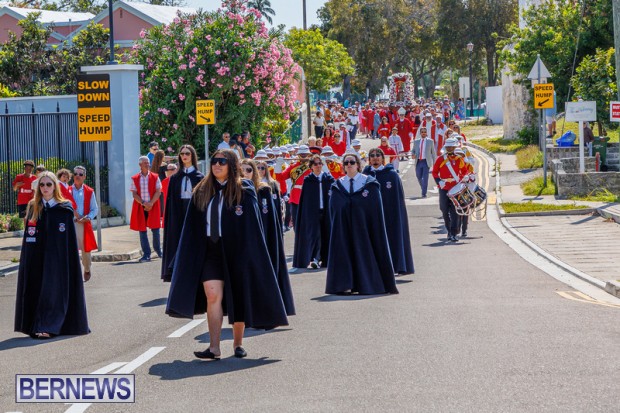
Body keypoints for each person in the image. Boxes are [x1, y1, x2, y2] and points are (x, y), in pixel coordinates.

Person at [166, 149, 290, 360]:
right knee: (212, 294)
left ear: (232, 165)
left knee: (237, 296)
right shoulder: (202, 190)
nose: (216, 165)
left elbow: (253, 226)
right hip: (210, 250)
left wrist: (252, 255)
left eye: (222, 162)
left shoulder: (245, 190)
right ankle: (214, 347)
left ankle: (238, 343)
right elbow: (192, 227)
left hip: (237, 250)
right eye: (214, 162)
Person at [14, 171, 89, 339]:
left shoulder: (64, 208)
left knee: (53, 290)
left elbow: (69, 239)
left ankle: (48, 325)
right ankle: (37, 324)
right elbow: (30, 233)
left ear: (55, 186)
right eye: (42, 185)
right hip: (37, 257)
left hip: (58, 258)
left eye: (49, 184)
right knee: (37, 288)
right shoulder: (34, 206)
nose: (45, 188)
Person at [325, 152, 398, 295]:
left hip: (364, 230)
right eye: (346, 163)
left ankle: (368, 283)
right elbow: (334, 209)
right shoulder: (338, 186)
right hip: (344, 230)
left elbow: (375, 210)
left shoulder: (369, 184)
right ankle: (345, 283)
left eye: (352, 162)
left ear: (358, 164)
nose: (349, 165)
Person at [241, 159, 295, 316]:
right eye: (242, 170)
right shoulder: (234, 191)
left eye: (249, 170)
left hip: (264, 238)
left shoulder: (264, 190)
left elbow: (273, 217)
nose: (245, 173)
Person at [363, 148, 415, 276]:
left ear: (382, 158)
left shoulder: (392, 175)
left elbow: (398, 200)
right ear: (369, 159)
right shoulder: (365, 176)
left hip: (390, 215)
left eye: (378, 155)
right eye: (372, 155)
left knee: (392, 240)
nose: (375, 157)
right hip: (371, 217)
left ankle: (396, 265)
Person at [161, 145, 204, 282]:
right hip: (178, 213)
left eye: (187, 153)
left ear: (192, 156)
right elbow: (171, 201)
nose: (184, 156)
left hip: (193, 211)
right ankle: (175, 271)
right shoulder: (175, 178)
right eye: (182, 153)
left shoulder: (200, 177)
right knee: (177, 240)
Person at [293, 154, 335, 270]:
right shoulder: (308, 180)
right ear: (311, 166)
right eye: (315, 164)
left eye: (320, 163)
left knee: (327, 233)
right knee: (315, 235)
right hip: (313, 212)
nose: (318, 166)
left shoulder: (328, 179)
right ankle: (315, 259)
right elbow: (305, 200)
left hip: (326, 211)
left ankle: (326, 259)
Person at [432, 137, 470, 242]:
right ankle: (449, 230)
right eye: (448, 147)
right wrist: (439, 181)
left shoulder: (459, 159)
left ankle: (453, 233)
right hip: (444, 187)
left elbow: (464, 171)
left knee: (455, 211)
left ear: (454, 147)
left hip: (455, 188)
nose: (449, 149)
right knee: (444, 209)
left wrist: (465, 177)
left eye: (451, 147)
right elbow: (435, 172)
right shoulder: (440, 159)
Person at [130, 156, 162, 262]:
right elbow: (134, 194)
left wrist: (151, 203)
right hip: (140, 207)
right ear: (140, 165)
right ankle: (146, 254)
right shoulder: (135, 178)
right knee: (142, 231)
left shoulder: (155, 176)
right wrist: (144, 203)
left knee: (156, 229)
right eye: (145, 163)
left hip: (153, 205)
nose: (147, 164)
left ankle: (158, 250)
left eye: (148, 162)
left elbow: (158, 191)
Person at [69, 166, 98, 282]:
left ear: (84, 177)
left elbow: (94, 209)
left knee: (86, 251)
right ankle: (73, 273)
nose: (77, 176)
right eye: (76, 173)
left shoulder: (89, 191)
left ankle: (86, 268)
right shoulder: (66, 190)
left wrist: (88, 217)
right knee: (70, 249)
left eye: (81, 174)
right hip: (69, 224)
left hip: (83, 224)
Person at [275, 145, 312, 229]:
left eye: (305, 154)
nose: (303, 155)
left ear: (309, 154)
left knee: (309, 224)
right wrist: (278, 165)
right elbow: (280, 178)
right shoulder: (293, 167)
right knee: (296, 224)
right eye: (301, 154)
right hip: (295, 197)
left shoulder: (313, 166)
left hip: (309, 196)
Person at [412, 128, 437, 198]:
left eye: (425, 132)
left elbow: (433, 153)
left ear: (426, 133)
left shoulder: (430, 141)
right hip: (418, 161)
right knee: (418, 176)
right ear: (420, 133)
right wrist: (413, 154)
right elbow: (413, 150)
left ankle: (424, 193)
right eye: (422, 132)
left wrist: (435, 164)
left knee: (425, 178)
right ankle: (423, 187)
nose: (423, 133)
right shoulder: (416, 141)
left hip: (426, 162)